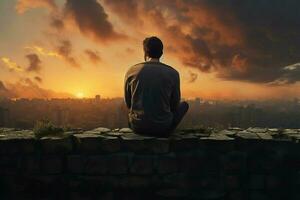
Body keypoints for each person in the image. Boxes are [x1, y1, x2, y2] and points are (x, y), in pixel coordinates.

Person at [124, 36, 189, 137]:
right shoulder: (173, 73)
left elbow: (128, 103)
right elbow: (175, 105)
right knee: (184, 105)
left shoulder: (132, 71)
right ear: (161, 53)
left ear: (145, 52)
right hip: (163, 128)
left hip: (137, 127)